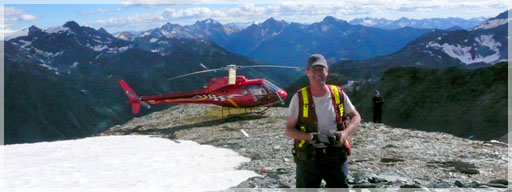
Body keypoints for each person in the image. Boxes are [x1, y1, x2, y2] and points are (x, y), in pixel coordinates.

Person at [285, 54, 361, 188]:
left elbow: (356, 116)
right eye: (314, 70)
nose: (318, 74)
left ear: (327, 71)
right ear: (307, 72)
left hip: (336, 155)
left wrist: (345, 133)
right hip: (308, 158)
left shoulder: (338, 93)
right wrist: (309, 137)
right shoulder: (299, 98)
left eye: (322, 69)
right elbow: (289, 129)